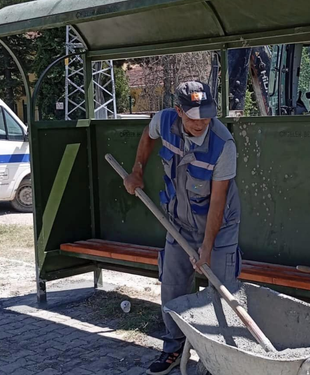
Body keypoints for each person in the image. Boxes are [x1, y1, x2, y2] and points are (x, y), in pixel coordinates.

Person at [124, 81, 241, 375]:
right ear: (178, 111)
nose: (201, 122)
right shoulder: (164, 121)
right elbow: (148, 137)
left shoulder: (223, 145)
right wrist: (138, 169)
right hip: (178, 222)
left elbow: (217, 203)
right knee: (173, 289)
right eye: (193, 116)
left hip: (219, 226)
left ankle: (218, 358)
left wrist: (207, 248)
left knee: (221, 292)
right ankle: (175, 349)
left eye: (207, 115)